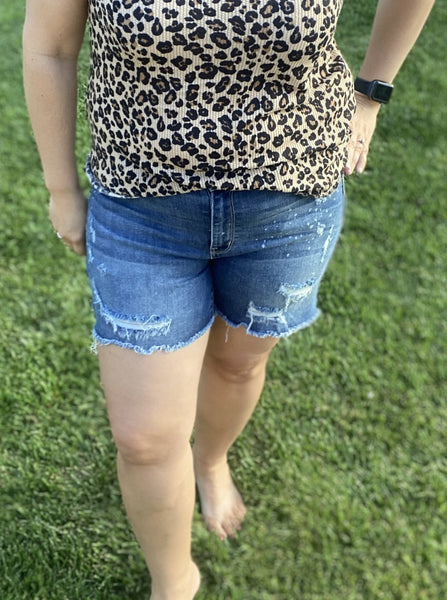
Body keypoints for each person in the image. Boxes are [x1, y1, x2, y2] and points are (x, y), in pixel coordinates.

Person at [23, 1, 435, 598]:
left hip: (288, 197)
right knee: (144, 438)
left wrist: (370, 93)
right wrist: (61, 189)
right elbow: (51, 46)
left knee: (238, 363)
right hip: (141, 206)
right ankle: (174, 581)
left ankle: (211, 459)